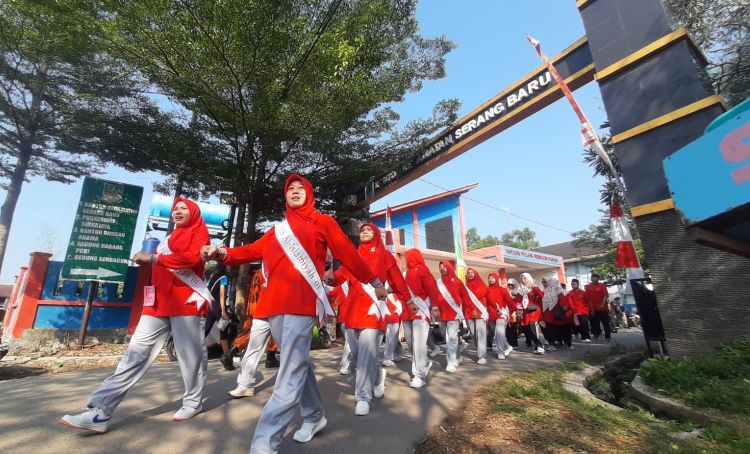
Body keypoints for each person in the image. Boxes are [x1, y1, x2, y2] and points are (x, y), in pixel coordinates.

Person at [201, 175, 385, 453]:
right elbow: (251, 250)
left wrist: (373, 280)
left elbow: (347, 252)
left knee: (288, 372)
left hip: (302, 304)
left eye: (301, 188)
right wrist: (221, 252)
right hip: (273, 306)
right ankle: (314, 415)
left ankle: (264, 444)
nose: (295, 191)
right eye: (290, 189)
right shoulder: (277, 230)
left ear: (309, 194)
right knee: (297, 362)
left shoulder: (322, 221)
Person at [60, 197, 210, 433]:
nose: (178, 212)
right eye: (175, 209)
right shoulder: (168, 239)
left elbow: (191, 260)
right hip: (157, 304)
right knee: (134, 355)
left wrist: (153, 258)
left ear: (193, 212)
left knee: (190, 358)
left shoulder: (199, 232)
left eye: (183, 208)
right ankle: (100, 411)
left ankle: (193, 402)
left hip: (186, 302)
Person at [339, 223, 411, 416]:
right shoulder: (354, 255)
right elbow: (342, 274)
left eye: (369, 230)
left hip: (373, 309)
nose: (365, 233)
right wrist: (332, 279)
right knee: (357, 353)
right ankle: (378, 375)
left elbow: (396, 279)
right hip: (353, 310)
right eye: (362, 230)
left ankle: (363, 397)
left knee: (365, 355)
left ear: (376, 234)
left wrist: (408, 299)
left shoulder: (385, 256)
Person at [402, 249, 440, 388]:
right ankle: (424, 363)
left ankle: (420, 375)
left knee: (418, 343)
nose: (407, 259)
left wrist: (434, 306)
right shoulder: (405, 273)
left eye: (409, 256)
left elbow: (431, 289)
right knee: (411, 342)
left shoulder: (423, 270)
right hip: (407, 310)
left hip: (421, 309)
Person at [435, 261, 471, 372]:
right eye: (440, 267)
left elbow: (466, 297)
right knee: (447, 337)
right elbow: (434, 297)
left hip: (454, 314)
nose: (442, 268)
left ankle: (450, 362)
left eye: (444, 266)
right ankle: (457, 356)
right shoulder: (437, 282)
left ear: (449, 267)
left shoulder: (457, 281)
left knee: (451, 338)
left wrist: (470, 310)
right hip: (441, 315)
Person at [464, 268, 490, 365]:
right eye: (468, 273)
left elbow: (488, 299)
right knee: (474, 334)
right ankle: (480, 351)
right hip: (469, 313)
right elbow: (464, 300)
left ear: (476, 274)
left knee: (481, 335)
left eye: (472, 273)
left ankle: (482, 356)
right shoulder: (465, 286)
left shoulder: (482, 285)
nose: (470, 274)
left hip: (480, 312)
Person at [487, 273, 514, 359]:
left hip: (501, 313)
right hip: (490, 315)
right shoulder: (486, 290)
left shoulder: (503, 289)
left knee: (499, 332)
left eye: (492, 278)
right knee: (498, 334)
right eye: (489, 278)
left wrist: (514, 311)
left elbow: (510, 301)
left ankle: (501, 352)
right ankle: (507, 346)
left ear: (496, 278)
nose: (490, 279)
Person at [541, 277, 573, 349]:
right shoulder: (544, 291)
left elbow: (564, 301)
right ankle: (552, 344)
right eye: (542, 282)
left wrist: (565, 309)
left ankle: (569, 343)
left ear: (550, 282)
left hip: (557, 313)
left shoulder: (558, 289)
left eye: (544, 282)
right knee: (550, 329)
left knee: (563, 328)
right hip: (547, 313)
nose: (543, 283)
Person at [518, 273, 545, 355]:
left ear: (529, 278)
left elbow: (542, 296)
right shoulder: (521, 290)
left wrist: (537, 303)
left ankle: (539, 345)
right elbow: (518, 300)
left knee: (532, 325)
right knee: (529, 328)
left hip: (534, 310)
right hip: (526, 311)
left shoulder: (534, 288)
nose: (523, 280)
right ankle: (537, 346)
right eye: (521, 279)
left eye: (524, 278)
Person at [586, 273, 611, 341]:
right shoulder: (589, 287)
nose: (593, 278)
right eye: (592, 277)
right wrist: (592, 310)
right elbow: (589, 299)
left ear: (597, 278)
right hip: (594, 309)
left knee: (606, 323)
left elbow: (605, 295)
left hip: (603, 309)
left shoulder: (602, 285)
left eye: (594, 277)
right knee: (594, 324)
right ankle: (596, 334)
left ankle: (607, 336)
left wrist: (603, 304)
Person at [382, 292, 404, 367]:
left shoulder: (396, 293)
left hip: (394, 313)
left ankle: (388, 358)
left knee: (391, 336)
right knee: (391, 336)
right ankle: (399, 350)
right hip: (385, 313)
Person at [567, 279, 591, 343]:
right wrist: (573, 311)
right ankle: (583, 337)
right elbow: (570, 303)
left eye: (574, 284)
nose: (573, 285)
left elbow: (588, 301)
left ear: (578, 284)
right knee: (579, 325)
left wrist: (590, 310)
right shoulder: (570, 293)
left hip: (584, 311)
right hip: (575, 312)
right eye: (572, 284)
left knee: (585, 325)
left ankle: (587, 337)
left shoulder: (583, 293)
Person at [506, 278, 522, 348]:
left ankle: (514, 343)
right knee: (507, 328)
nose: (510, 286)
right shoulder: (506, 291)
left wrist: (515, 295)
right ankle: (509, 343)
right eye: (508, 285)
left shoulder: (517, 292)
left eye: (511, 285)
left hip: (514, 312)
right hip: (506, 311)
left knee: (513, 327)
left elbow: (520, 301)